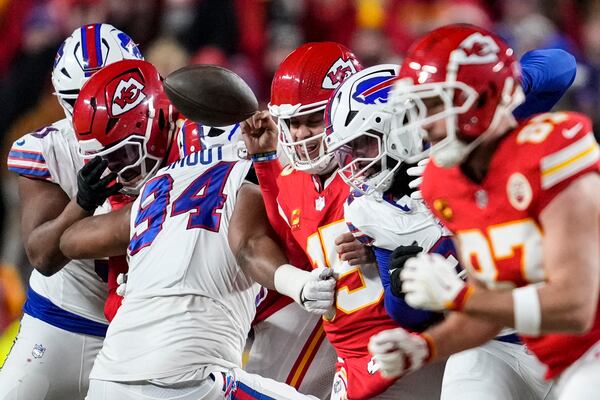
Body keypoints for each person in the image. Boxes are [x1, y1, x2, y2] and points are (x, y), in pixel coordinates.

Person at [61, 59, 334, 400]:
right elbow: (249, 247)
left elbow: (69, 241)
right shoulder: (244, 177)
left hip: (107, 381)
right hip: (187, 379)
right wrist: (301, 284)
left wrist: (143, 266)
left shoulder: (156, 187)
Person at [324, 44, 577, 400]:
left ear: (401, 129)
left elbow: (561, 65)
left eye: (364, 144)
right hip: (494, 343)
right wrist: (404, 285)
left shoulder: (474, 132)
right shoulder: (369, 210)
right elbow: (409, 318)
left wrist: (499, 88)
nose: (354, 161)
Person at [243, 44, 445, 400]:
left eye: (312, 119)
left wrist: (383, 248)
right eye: (292, 123)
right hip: (351, 358)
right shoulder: (293, 177)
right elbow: (291, 243)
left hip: (410, 337)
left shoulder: (391, 166)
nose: (302, 134)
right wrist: (265, 162)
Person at [0, 23, 143, 400]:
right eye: (82, 99)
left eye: (110, 95)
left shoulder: (177, 131)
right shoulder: (50, 149)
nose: (98, 111)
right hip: (63, 320)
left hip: (145, 330)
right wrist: (82, 202)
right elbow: (41, 255)